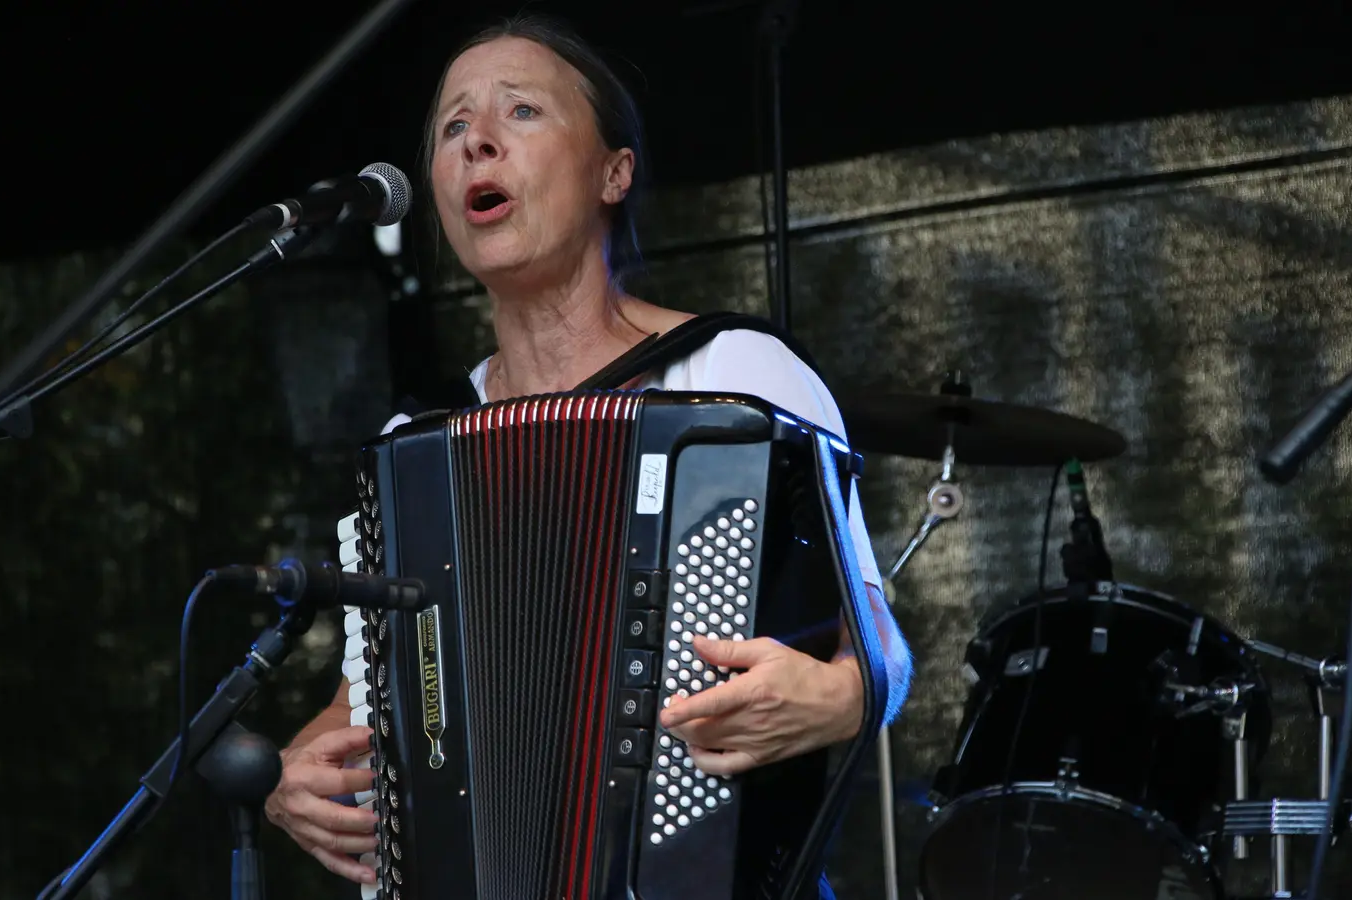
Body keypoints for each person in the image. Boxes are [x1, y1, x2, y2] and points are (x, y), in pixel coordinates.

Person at [263, 12, 915, 889]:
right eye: (453, 127)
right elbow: (368, 710)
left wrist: (840, 697)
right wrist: (292, 781)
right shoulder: (413, 452)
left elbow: (880, 650)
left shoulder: (737, 374)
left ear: (615, 173)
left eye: (520, 112)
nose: (477, 145)